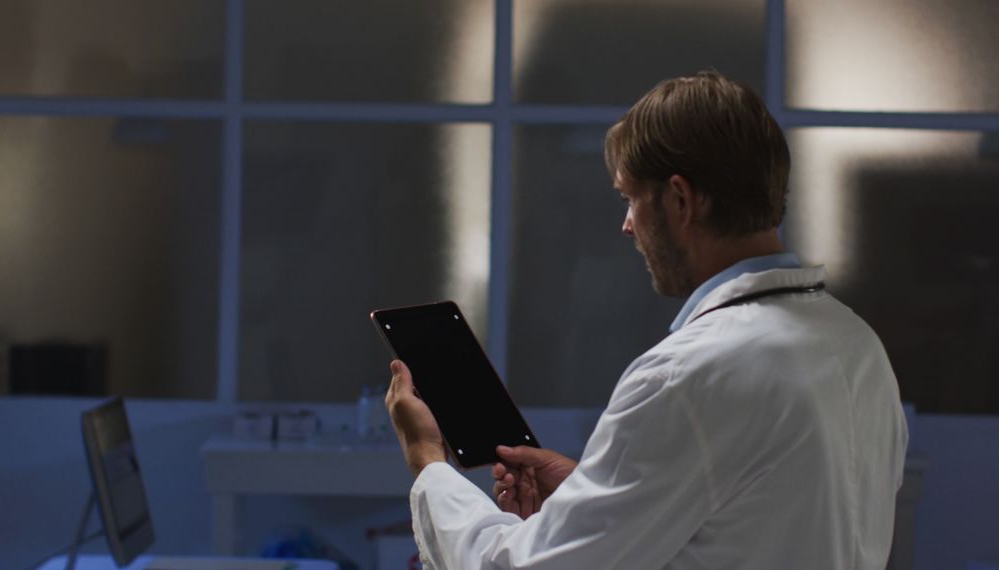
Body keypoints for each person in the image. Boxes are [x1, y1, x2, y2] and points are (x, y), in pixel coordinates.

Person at [385, 70, 908, 569]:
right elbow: (751, 522)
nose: (627, 225)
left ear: (680, 200)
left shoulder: (687, 376)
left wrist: (429, 463)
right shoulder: (857, 344)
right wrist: (587, 498)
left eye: (630, 198)